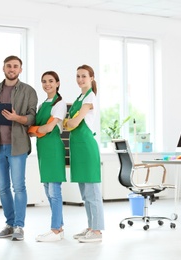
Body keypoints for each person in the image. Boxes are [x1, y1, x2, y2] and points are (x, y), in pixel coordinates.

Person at [0, 55, 38, 241]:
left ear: (20, 70)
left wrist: (18, 118)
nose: (12, 69)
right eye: (9, 66)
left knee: (19, 187)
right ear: (3, 68)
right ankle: (9, 223)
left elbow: (32, 117)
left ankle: (19, 227)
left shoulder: (29, 91)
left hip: (18, 146)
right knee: (3, 188)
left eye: (15, 66)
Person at [63, 64, 105, 243]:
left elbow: (72, 124)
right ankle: (91, 226)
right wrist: (69, 122)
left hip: (86, 147)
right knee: (85, 193)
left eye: (84, 76)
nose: (80, 79)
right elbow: (69, 123)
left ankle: (97, 231)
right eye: (78, 76)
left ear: (91, 78)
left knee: (93, 191)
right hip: (77, 148)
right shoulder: (81, 97)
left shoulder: (90, 98)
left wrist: (68, 122)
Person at [28, 71, 67, 242]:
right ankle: (58, 227)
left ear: (57, 83)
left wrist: (34, 130)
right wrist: (37, 130)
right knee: (47, 189)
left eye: (51, 81)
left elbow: (48, 128)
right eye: (44, 81)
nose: (47, 84)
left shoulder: (60, 104)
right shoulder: (43, 104)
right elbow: (39, 128)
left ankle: (55, 230)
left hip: (53, 149)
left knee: (54, 191)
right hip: (43, 149)